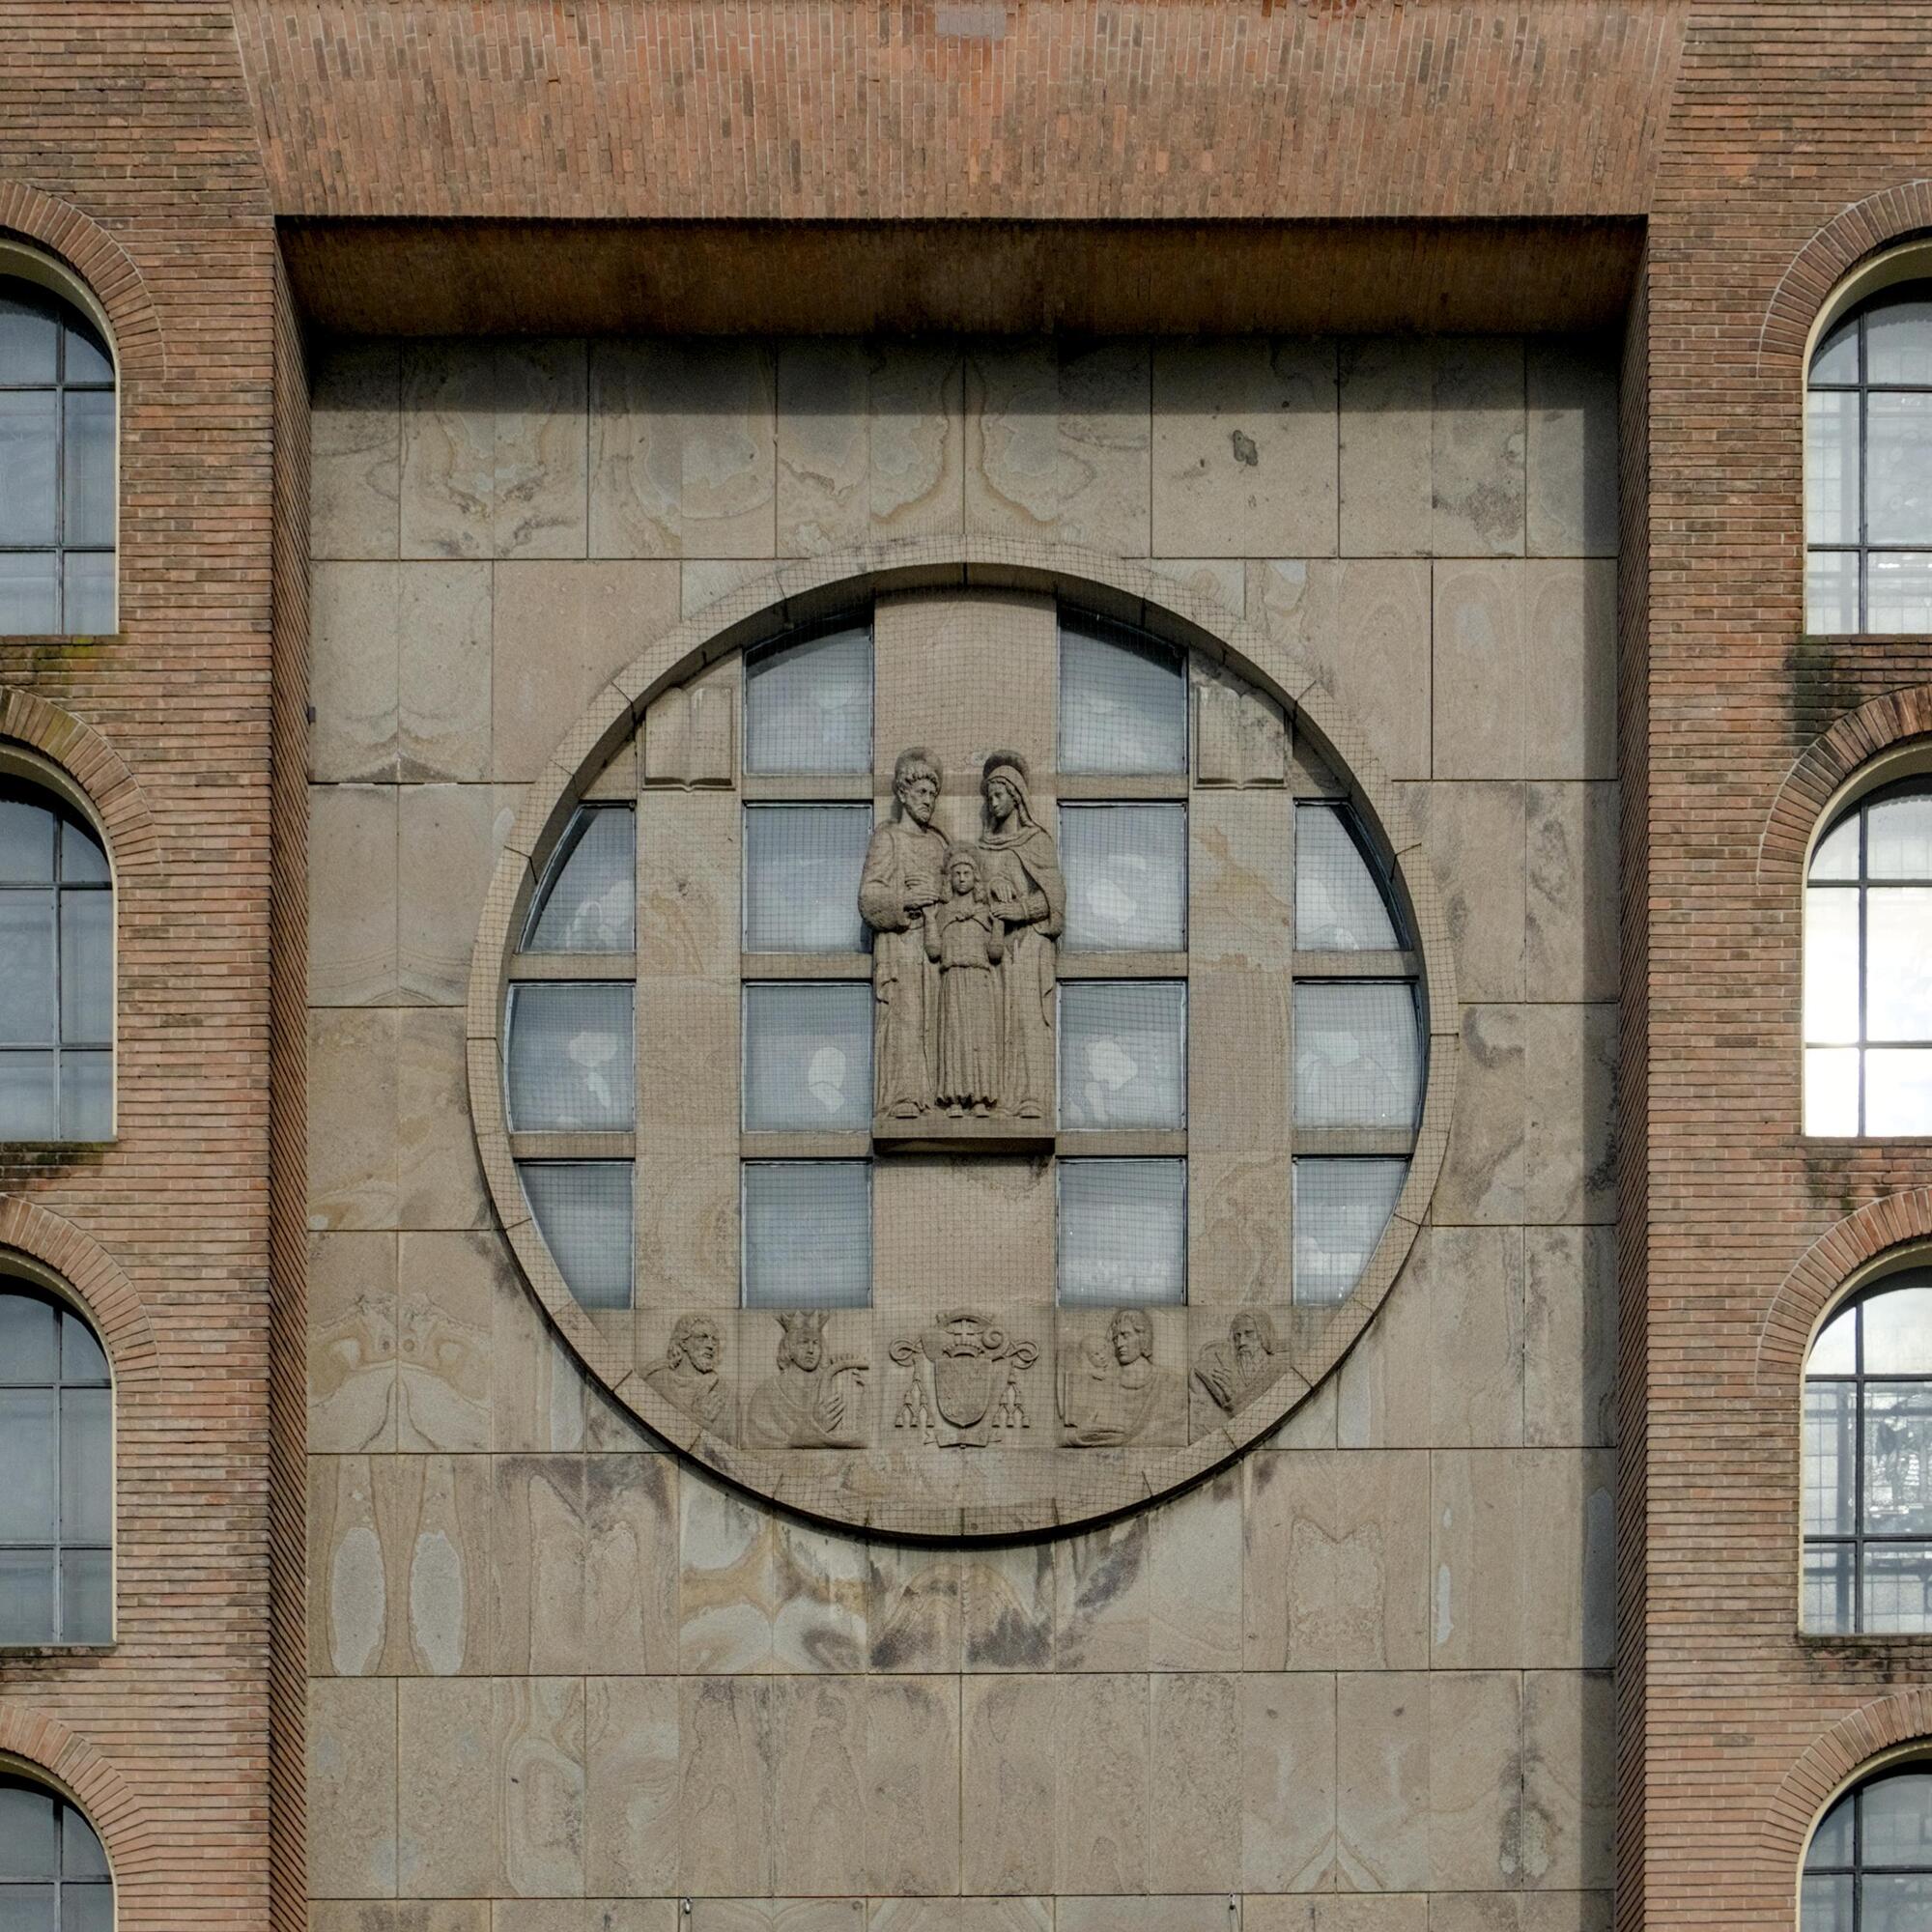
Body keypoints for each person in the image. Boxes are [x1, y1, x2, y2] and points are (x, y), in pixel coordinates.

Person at [858, 748, 949, 1119]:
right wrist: (907, 900)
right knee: (905, 1017)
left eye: (932, 794)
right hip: (901, 944)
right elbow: (869, 897)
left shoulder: (939, 844)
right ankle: (903, 1096)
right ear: (902, 794)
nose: (928, 801)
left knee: (938, 1019)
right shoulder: (889, 839)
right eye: (921, 793)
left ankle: (939, 1096)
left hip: (937, 945)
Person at [979, 751, 1064, 1120]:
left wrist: (1021, 910)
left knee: (1028, 1017)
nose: (993, 803)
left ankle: (1031, 1095)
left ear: (1015, 796)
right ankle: (998, 1097)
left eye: (998, 795)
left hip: (1029, 944)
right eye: (989, 797)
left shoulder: (1036, 842)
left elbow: (1054, 897)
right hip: (993, 947)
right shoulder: (983, 848)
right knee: (997, 1020)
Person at [923, 844, 1004, 1116]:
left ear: (975, 876)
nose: (961, 877)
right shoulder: (943, 914)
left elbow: (995, 953)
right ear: (949, 878)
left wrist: (999, 924)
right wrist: (929, 921)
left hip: (979, 981)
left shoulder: (984, 913)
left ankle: (980, 1098)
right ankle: (954, 1099)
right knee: (954, 1038)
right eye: (956, 872)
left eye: (967, 872)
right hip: (953, 980)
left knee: (979, 1039)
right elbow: (934, 951)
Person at [1057, 1306, 1185, 1446]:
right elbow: (1073, 1432)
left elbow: (1178, 1431)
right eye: (1115, 1338)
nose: (1119, 1344)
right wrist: (1079, 1435)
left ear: (1142, 1337)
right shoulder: (1104, 1382)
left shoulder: (1170, 1382)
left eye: (1125, 1335)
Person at [742, 1309, 868, 1448]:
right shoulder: (767, 1393)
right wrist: (809, 1431)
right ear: (789, 1349)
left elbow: (859, 1437)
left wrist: (860, 1394)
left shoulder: (834, 1384)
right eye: (803, 1342)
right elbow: (755, 1445)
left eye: (816, 1343)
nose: (811, 1350)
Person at [640, 1313, 728, 1431]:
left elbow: (726, 1442)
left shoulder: (722, 1391)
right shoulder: (656, 1382)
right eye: (702, 1338)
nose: (710, 1346)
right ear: (683, 1342)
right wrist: (700, 1420)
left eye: (714, 1340)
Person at [1192, 1309, 1286, 1417]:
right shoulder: (1227, 1370)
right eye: (1238, 1336)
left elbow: (1272, 1412)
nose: (1242, 1342)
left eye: (1249, 1333)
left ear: (1263, 1335)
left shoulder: (1279, 1369)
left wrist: (1236, 1396)